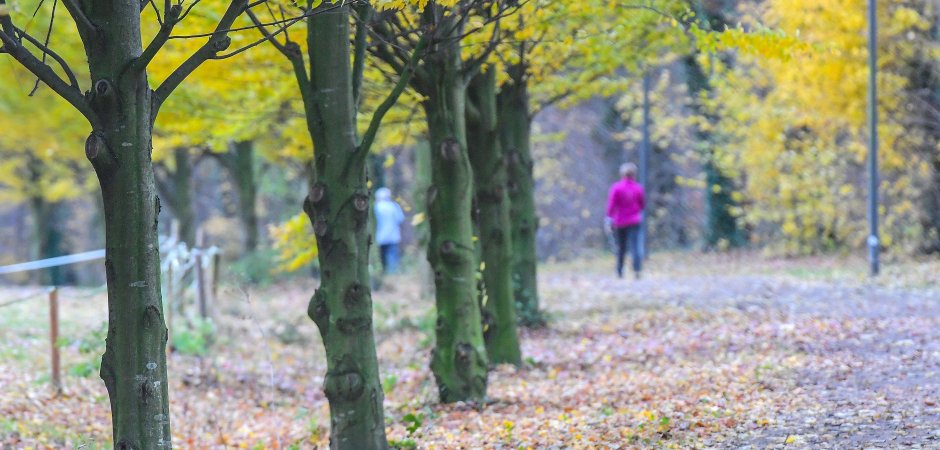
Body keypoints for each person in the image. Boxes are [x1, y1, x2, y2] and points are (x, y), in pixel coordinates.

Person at [606, 162, 646, 279]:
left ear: (622, 174)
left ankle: (619, 271)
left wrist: (609, 218)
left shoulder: (616, 188)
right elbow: (642, 204)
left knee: (621, 247)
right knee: (635, 246)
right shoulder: (638, 188)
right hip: (634, 221)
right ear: (634, 174)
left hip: (620, 222)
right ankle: (637, 270)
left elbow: (611, 205)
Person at [374, 187, 405, 274]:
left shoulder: (377, 207)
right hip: (393, 236)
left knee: (383, 257)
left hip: (381, 237)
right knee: (392, 257)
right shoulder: (394, 206)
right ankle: (392, 275)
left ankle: (385, 274)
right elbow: (400, 219)